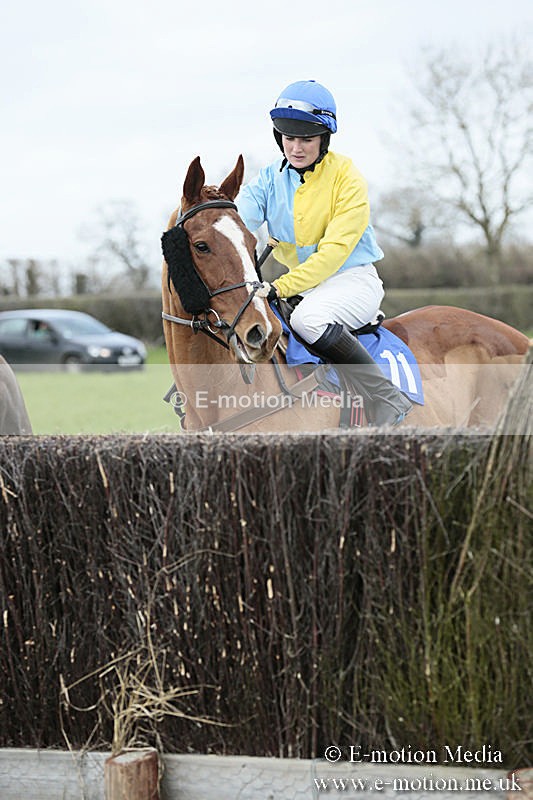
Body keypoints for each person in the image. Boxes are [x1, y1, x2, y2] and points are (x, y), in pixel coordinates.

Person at [237, 79, 412, 426]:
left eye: (306, 139)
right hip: (304, 288)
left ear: (324, 139)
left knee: (308, 320)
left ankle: (386, 396)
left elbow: (333, 255)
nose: (295, 148)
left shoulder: (347, 177)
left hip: (352, 281)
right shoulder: (269, 179)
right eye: (288, 138)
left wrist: (280, 287)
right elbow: (237, 220)